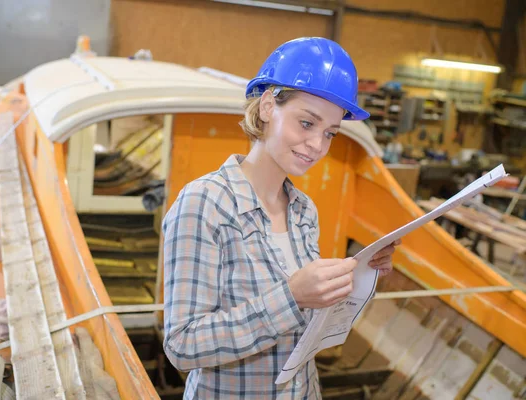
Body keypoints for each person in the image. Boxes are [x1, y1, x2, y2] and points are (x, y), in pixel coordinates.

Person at [162, 37, 400, 399]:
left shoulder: (303, 210)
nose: (318, 146)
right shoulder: (205, 204)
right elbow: (183, 344)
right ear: (269, 106)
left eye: (330, 133)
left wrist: (362, 272)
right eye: (306, 123)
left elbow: (308, 325)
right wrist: (292, 297)